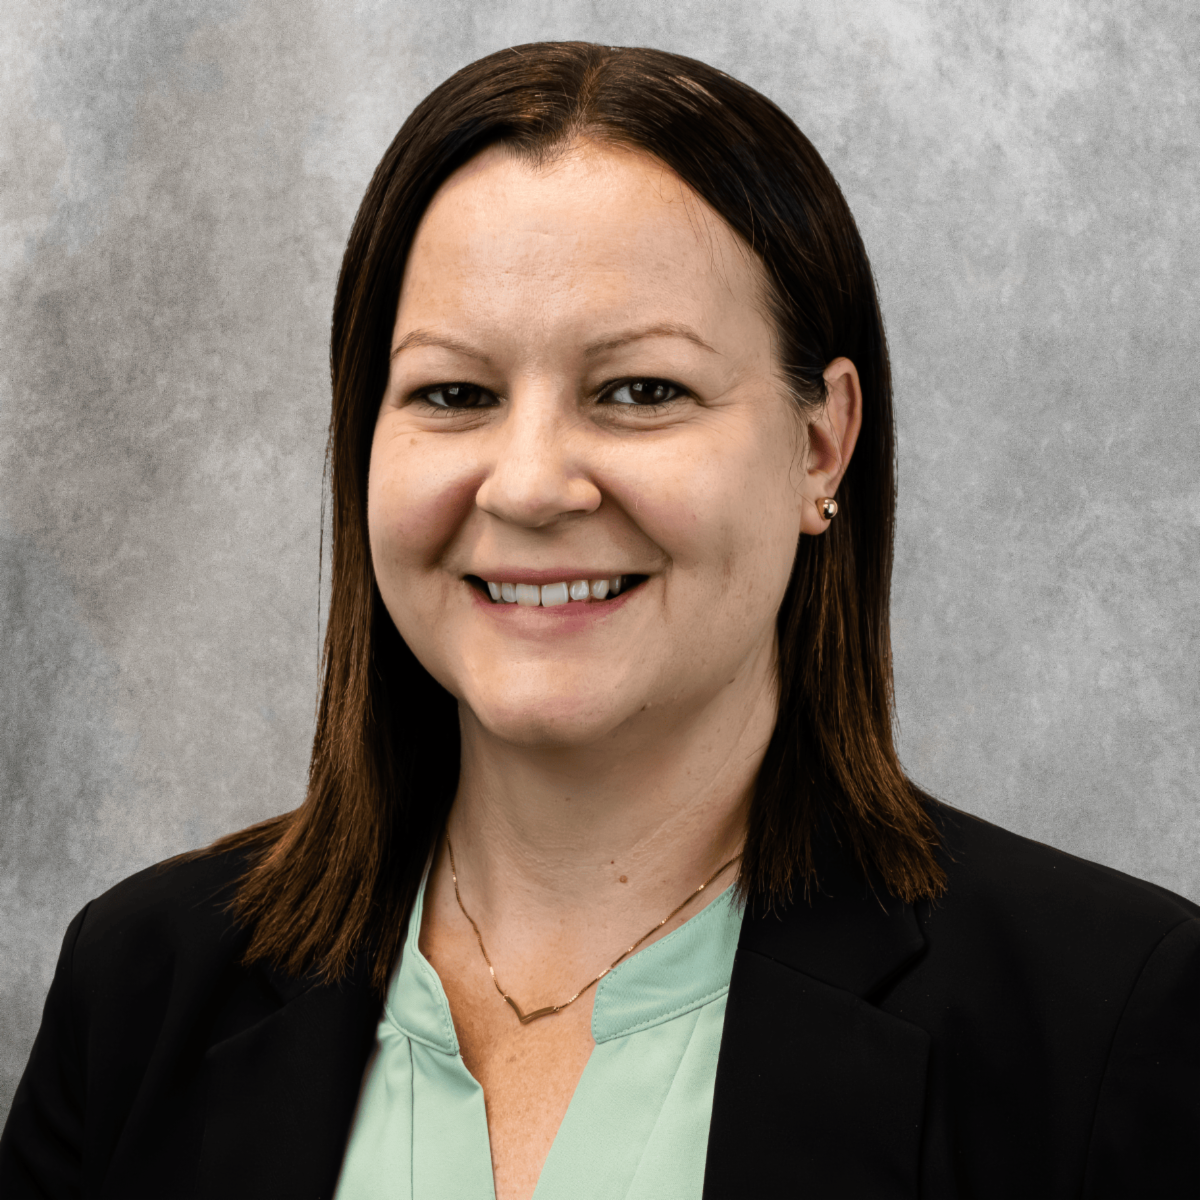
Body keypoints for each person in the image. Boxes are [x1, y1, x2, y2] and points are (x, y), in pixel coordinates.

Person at [1, 41, 1196, 1200]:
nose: (528, 486)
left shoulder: (1109, 1021)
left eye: (640, 390)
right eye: (454, 393)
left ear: (821, 444)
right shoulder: (140, 988)